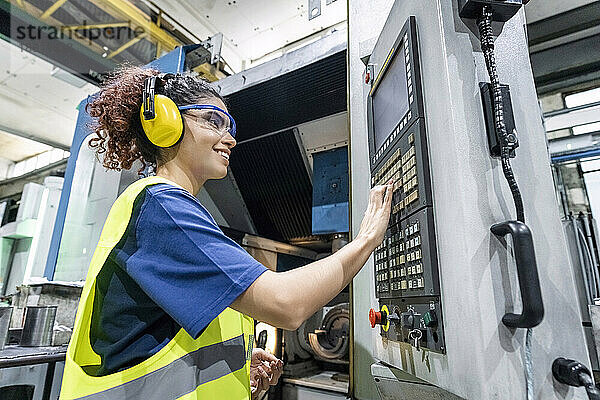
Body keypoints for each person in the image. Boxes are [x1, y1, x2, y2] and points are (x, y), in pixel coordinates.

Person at [59, 66, 393, 400]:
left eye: (230, 126)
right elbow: (286, 305)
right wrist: (365, 240)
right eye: (214, 120)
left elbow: (160, 342)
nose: (231, 138)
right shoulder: (161, 206)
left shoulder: (174, 211)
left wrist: (232, 364)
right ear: (165, 122)